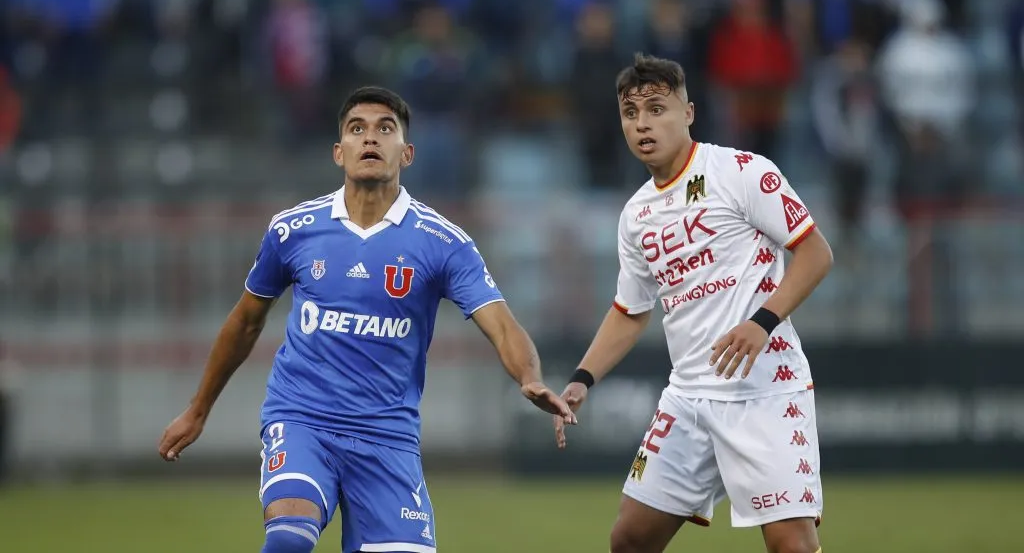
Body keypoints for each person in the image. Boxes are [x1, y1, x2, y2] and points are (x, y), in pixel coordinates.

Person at [159, 86, 575, 553]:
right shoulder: (293, 229)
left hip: (387, 436)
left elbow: (500, 323)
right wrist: (198, 410)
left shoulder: (442, 242)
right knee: (289, 537)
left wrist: (530, 378)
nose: (369, 139)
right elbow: (245, 323)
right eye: (356, 129)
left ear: (407, 152)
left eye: (385, 129)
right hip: (302, 419)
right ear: (340, 152)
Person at [554, 55, 833, 553]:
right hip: (687, 397)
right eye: (630, 112)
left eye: (657, 109)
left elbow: (815, 253)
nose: (642, 123)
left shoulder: (741, 172)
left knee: (792, 545)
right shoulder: (636, 214)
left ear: (688, 113)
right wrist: (581, 378)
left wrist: (762, 322)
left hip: (764, 390)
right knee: (630, 538)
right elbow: (630, 310)